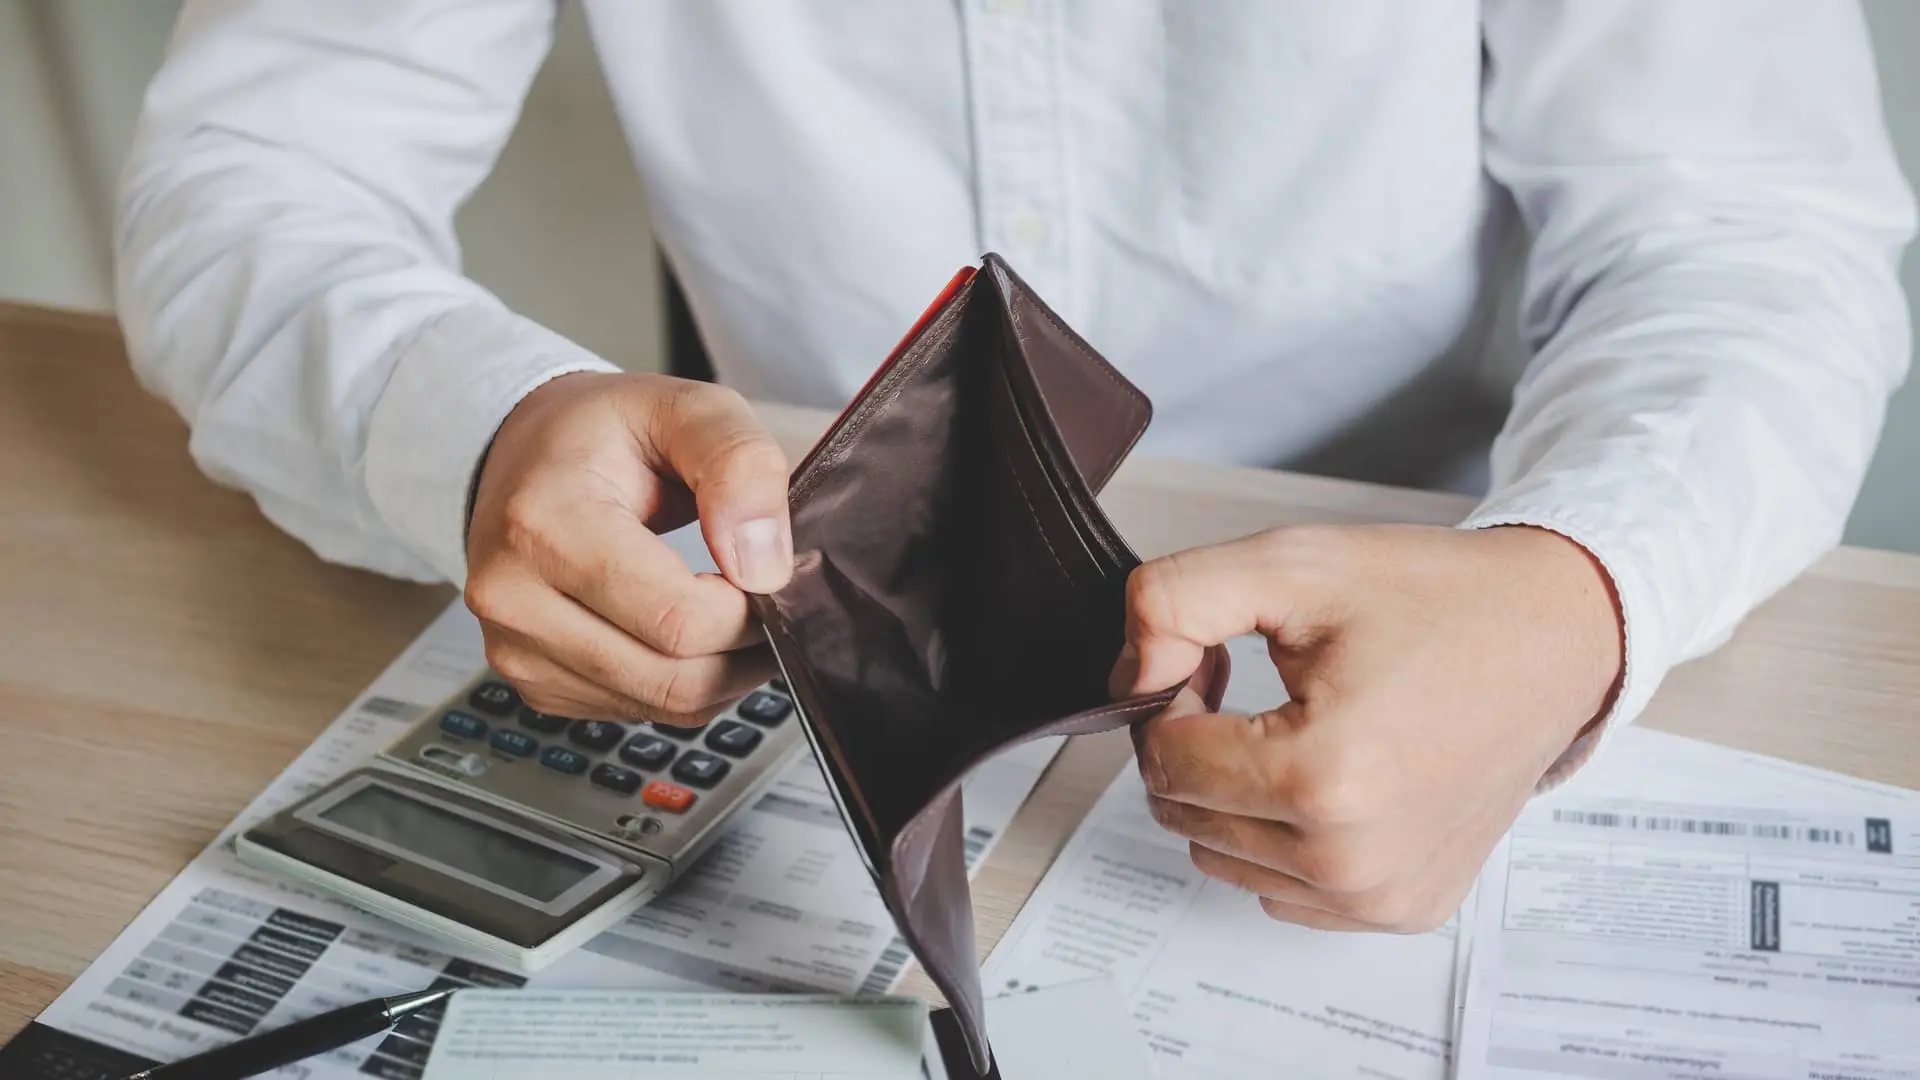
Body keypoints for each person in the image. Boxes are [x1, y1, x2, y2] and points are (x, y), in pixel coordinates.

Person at [117, 1, 1913, 934]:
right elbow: (257, 176)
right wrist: (479, 421)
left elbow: (1751, 228)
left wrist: (1576, 585)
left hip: (1423, 624)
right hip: (796, 644)